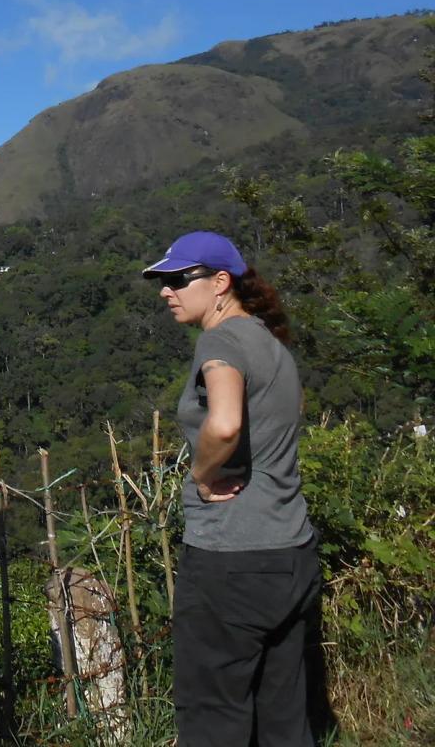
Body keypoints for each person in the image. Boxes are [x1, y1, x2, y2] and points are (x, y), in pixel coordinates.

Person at [144, 231, 321, 747]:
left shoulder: (220, 341)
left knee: (213, 717)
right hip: (291, 551)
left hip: (232, 557)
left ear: (220, 282)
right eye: (163, 281)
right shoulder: (270, 342)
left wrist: (200, 476)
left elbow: (224, 425)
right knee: (284, 714)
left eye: (178, 279)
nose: (166, 291)